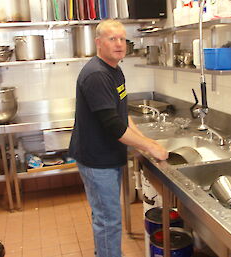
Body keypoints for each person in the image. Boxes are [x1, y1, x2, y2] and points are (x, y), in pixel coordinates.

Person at [69, 19, 168, 257]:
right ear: (98, 43)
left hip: (107, 156)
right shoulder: (96, 75)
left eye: (122, 39)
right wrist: (149, 146)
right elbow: (114, 126)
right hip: (96, 160)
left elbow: (121, 113)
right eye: (112, 39)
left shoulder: (114, 69)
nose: (119, 44)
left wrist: (144, 140)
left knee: (104, 216)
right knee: (108, 221)